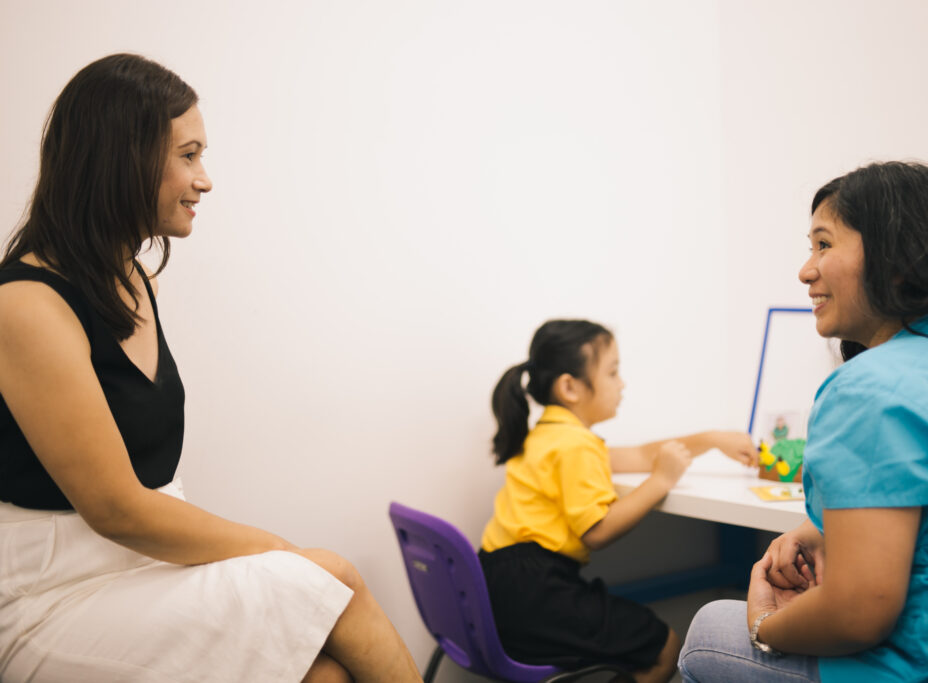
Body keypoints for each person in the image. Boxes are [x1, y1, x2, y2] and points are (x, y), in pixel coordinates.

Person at [0, 54, 420, 683]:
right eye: (189, 155)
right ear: (124, 159)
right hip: (52, 595)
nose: (206, 179)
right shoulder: (25, 306)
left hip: (139, 567)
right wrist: (281, 553)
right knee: (334, 577)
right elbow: (116, 509)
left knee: (325, 674)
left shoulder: (139, 284)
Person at [678, 162, 928, 682]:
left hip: (924, 668)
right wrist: (823, 529)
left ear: (899, 260)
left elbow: (859, 613)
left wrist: (765, 623)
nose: (805, 269)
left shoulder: (872, 385)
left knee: (709, 627)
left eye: (823, 244)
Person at [479, 319, 757, 683]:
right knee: (664, 647)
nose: (622, 383)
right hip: (535, 591)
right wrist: (661, 481)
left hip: (502, 583)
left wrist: (711, 439)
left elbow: (642, 454)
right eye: (612, 372)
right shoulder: (574, 445)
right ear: (570, 387)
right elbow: (598, 530)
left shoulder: (551, 435)